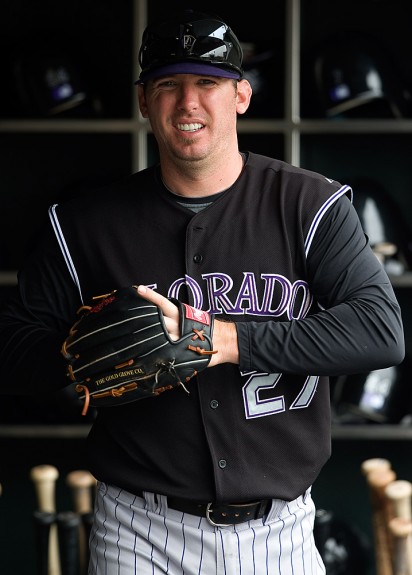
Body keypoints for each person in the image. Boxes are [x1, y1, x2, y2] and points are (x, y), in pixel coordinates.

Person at [0, 8, 405, 575]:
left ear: (240, 95)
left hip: (280, 532)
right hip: (137, 530)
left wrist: (217, 338)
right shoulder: (83, 224)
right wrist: (82, 353)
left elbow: (381, 333)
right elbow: (13, 349)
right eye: (169, 86)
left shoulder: (312, 206)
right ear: (144, 101)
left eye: (207, 84)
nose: (188, 104)